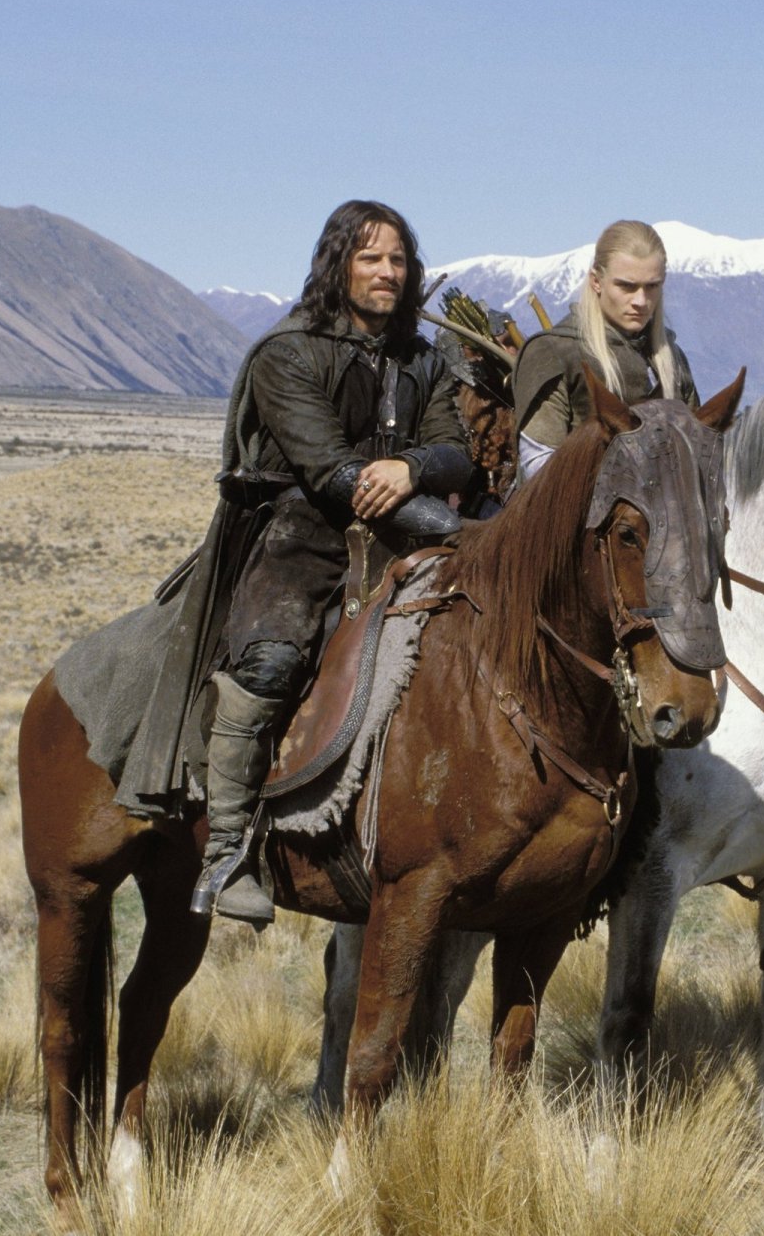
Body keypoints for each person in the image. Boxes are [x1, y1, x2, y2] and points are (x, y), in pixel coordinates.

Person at [191, 199, 472, 925]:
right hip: (301, 531)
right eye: (370, 256)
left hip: (404, 537)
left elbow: (457, 451)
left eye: (398, 259)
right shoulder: (287, 352)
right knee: (271, 659)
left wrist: (413, 466)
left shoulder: (424, 359)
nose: (386, 271)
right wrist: (461, 528)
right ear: (338, 263)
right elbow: (330, 472)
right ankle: (227, 848)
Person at [512, 220, 699, 484]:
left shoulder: (671, 359)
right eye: (626, 286)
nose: (640, 301)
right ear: (596, 282)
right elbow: (540, 471)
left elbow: (696, 452)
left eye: (652, 286)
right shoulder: (553, 354)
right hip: (580, 518)